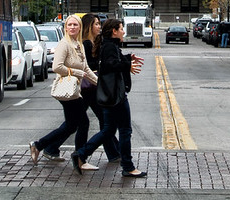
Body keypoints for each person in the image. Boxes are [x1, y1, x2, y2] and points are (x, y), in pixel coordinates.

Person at [71, 19, 147, 178]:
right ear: (114, 31)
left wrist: (128, 58)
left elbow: (112, 61)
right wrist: (127, 65)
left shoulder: (108, 45)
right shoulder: (110, 46)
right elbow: (109, 64)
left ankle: (81, 154)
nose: (124, 32)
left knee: (108, 130)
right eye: (121, 29)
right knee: (125, 130)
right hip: (115, 97)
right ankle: (128, 166)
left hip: (109, 96)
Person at [28, 15, 98, 170]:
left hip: (74, 90)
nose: (72, 27)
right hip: (67, 89)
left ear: (80, 27)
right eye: (69, 25)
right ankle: (80, 158)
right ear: (65, 27)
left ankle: (38, 145)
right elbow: (57, 67)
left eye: (75, 25)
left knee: (71, 125)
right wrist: (76, 73)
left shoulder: (78, 44)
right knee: (84, 123)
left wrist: (98, 83)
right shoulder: (64, 44)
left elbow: (86, 68)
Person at [79, 13, 120, 163]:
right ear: (89, 26)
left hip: (92, 87)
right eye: (96, 24)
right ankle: (80, 154)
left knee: (100, 121)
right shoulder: (86, 44)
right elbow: (88, 66)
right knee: (76, 123)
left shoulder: (94, 42)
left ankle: (114, 152)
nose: (99, 27)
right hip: (88, 87)